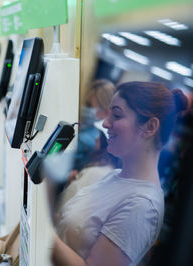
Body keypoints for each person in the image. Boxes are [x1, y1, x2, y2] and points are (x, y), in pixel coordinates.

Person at [52, 81, 188, 265]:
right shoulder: (115, 176)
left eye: (116, 115)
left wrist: (46, 233)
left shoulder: (142, 206)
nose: (106, 123)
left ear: (150, 127)